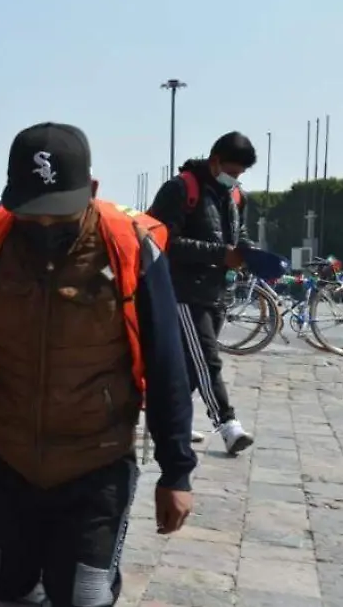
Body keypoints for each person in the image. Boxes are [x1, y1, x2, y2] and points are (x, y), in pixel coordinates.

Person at [0, 122, 197, 607]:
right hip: (8, 454)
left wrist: (177, 472)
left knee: (83, 597)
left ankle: (81, 548)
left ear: (91, 190)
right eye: (32, 213)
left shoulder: (129, 246)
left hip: (96, 458)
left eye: (58, 213)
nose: (45, 226)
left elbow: (167, 361)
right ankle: (30, 545)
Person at [147, 132, 257, 454]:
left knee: (188, 368)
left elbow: (240, 234)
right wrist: (220, 254)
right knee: (207, 360)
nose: (234, 180)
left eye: (240, 176)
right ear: (215, 161)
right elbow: (163, 240)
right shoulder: (181, 189)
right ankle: (228, 424)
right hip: (183, 291)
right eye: (231, 172)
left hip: (218, 291)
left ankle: (170, 422)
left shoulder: (236, 196)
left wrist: (248, 252)